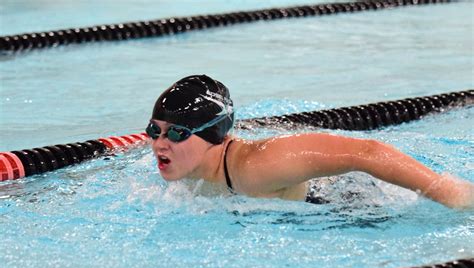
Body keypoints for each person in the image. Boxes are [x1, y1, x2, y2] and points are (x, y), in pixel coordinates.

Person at [146, 74, 473, 210]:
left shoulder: (258, 165)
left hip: (346, 202)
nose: (160, 144)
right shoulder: (185, 167)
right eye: (154, 130)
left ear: (211, 135)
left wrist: (445, 191)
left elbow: (367, 151)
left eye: (176, 133)